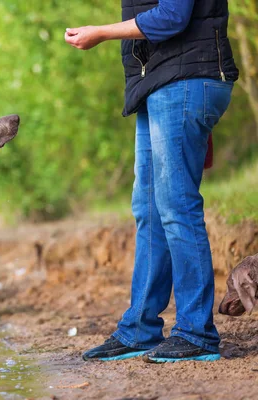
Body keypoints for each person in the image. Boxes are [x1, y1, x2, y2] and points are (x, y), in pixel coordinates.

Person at [65, 0, 238, 363]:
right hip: (159, 85)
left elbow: (173, 16)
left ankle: (196, 332)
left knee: (177, 208)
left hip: (184, 82)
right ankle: (140, 329)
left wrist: (102, 32)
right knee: (149, 209)